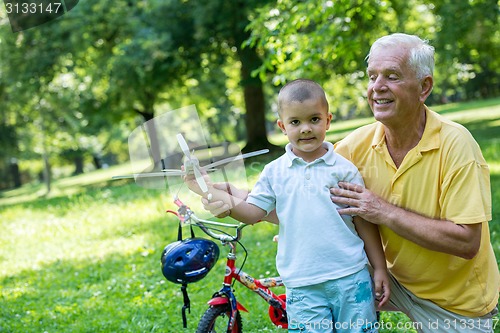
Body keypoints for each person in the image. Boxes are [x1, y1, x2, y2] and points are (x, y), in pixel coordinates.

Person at [202, 34, 499, 333]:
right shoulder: (355, 146)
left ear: (424, 87)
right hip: (385, 275)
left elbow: (467, 242)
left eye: (392, 76)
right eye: (372, 77)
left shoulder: (457, 145)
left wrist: (381, 210)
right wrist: (237, 197)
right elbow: (305, 196)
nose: (377, 87)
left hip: (452, 300)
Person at [187, 79, 390, 333]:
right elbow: (253, 213)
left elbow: (363, 222)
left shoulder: (344, 170)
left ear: (328, 120)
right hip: (302, 284)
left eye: (314, 119)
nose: (305, 129)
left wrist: (379, 268)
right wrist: (222, 200)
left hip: (350, 277)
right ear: (282, 126)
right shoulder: (274, 172)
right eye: (295, 122)